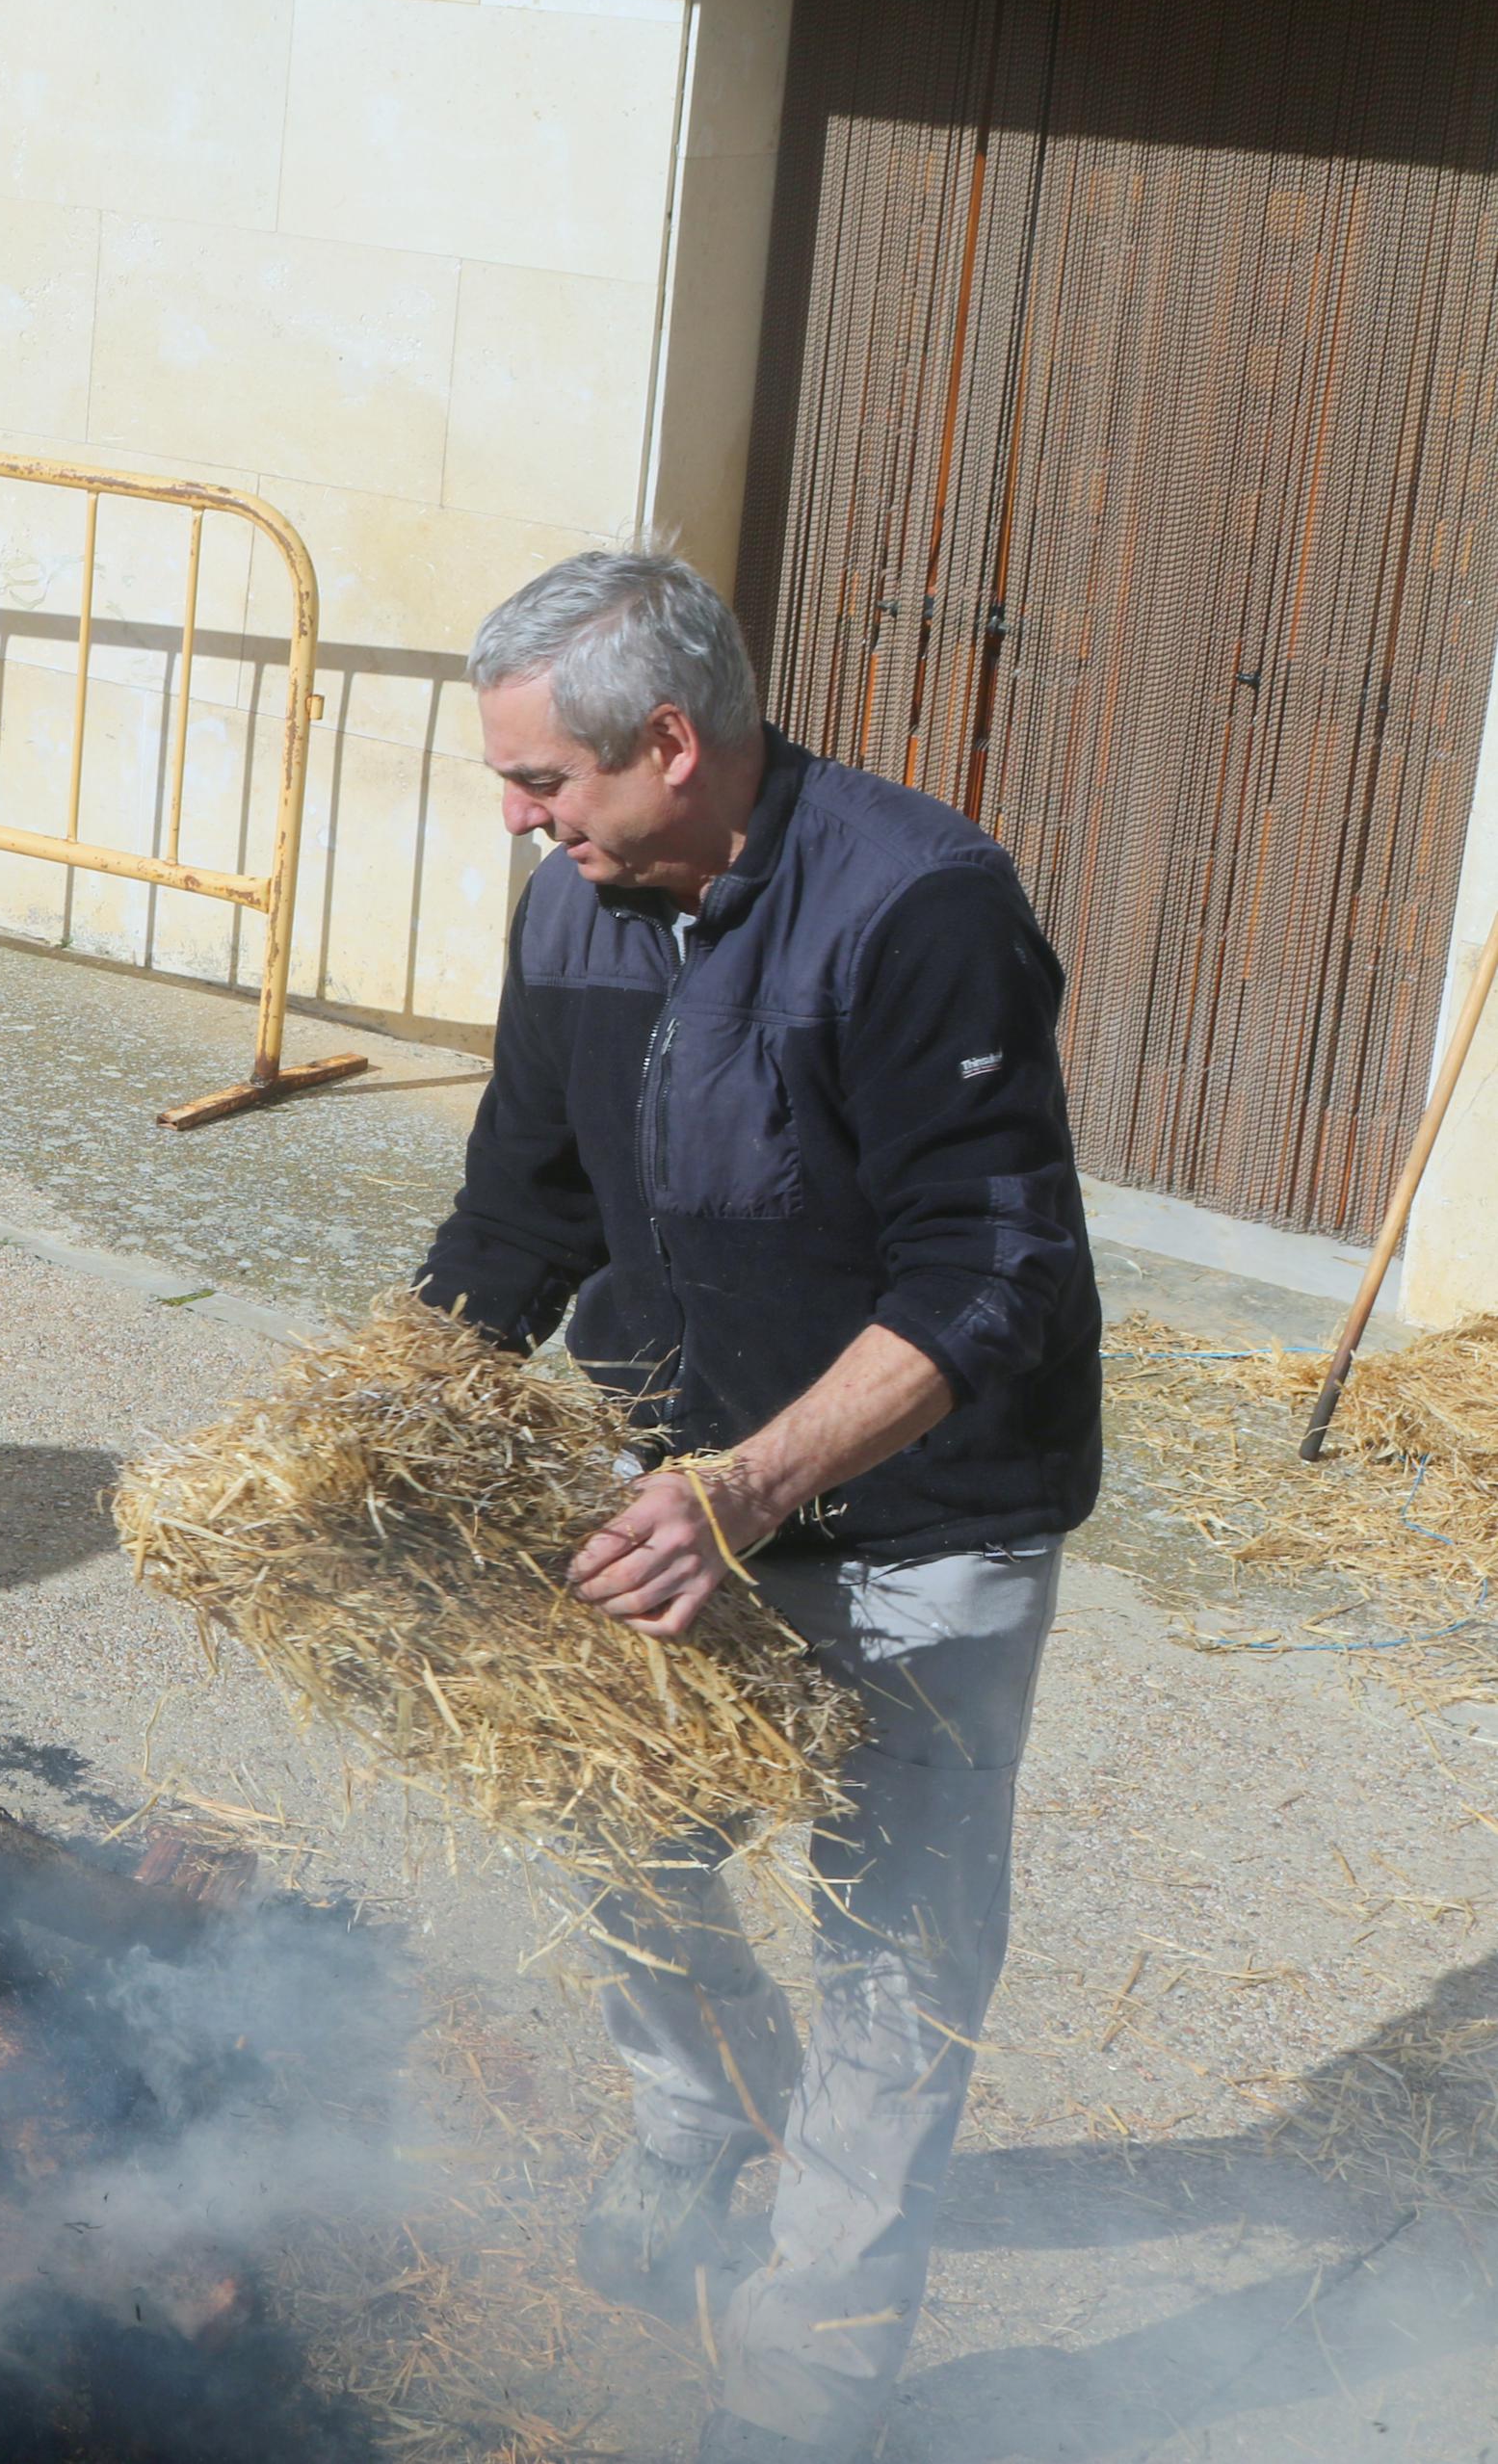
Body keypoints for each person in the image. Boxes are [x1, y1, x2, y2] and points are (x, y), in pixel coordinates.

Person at [412, 551, 1101, 2460]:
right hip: (688, 1480)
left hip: (924, 1507)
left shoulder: (917, 906)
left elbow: (993, 1268)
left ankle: (805, 2382)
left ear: (673, 744)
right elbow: (524, 1210)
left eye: (543, 782)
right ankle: (706, 2110)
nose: (520, 821)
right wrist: (388, 1416)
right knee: (596, 1811)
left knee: (896, 1941)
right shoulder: (580, 908)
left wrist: (761, 1482)